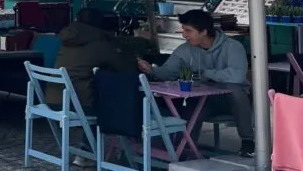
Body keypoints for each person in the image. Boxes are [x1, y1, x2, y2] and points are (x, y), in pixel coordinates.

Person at [138, 9, 254, 157]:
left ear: (204, 31)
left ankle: (248, 141)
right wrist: (152, 70)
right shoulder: (186, 49)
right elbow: (169, 71)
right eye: (183, 30)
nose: (184, 35)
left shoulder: (232, 47)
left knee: (236, 92)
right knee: (190, 108)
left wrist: (206, 73)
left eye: (188, 31)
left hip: (228, 100)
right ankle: (184, 151)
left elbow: (237, 76)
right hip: (203, 98)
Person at [46, 8, 137, 113]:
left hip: (52, 99)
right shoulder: (99, 42)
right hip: (79, 104)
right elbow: (125, 68)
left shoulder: (68, 40)